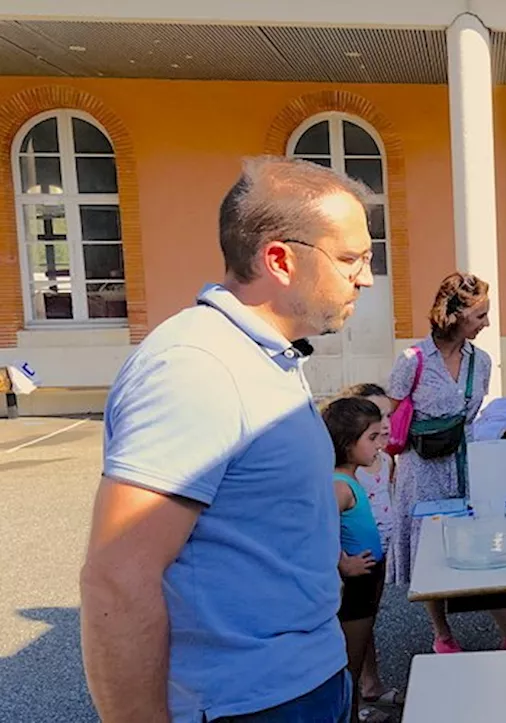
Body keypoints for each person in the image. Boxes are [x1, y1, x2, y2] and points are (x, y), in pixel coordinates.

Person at [81, 157, 374, 722]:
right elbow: (118, 578)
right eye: (349, 259)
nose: (365, 276)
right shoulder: (196, 366)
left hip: (304, 679)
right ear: (280, 259)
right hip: (246, 701)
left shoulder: (265, 355)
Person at [385, 272, 506, 652]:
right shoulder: (412, 360)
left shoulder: (480, 362)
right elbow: (394, 413)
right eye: (480, 315)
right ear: (455, 314)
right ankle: (442, 634)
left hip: (464, 464)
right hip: (421, 468)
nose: (487, 323)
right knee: (428, 547)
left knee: (479, 538)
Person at [323, 397, 393, 723]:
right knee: (349, 663)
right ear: (347, 444)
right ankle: (350, 716)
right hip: (357, 585)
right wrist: (342, 563)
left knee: (361, 646)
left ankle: (359, 706)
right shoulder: (339, 486)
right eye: (372, 438)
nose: (381, 444)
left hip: (369, 578)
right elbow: (317, 527)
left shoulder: (350, 478)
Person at [338, 383, 402, 711]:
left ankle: (369, 687)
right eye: (375, 428)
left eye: (388, 416)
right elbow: (319, 526)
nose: (386, 427)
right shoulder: (342, 480)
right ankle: (354, 707)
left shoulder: (384, 462)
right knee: (353, 639)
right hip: (356, 568)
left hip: (376, 560)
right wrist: (341, 562)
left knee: (367, 625)